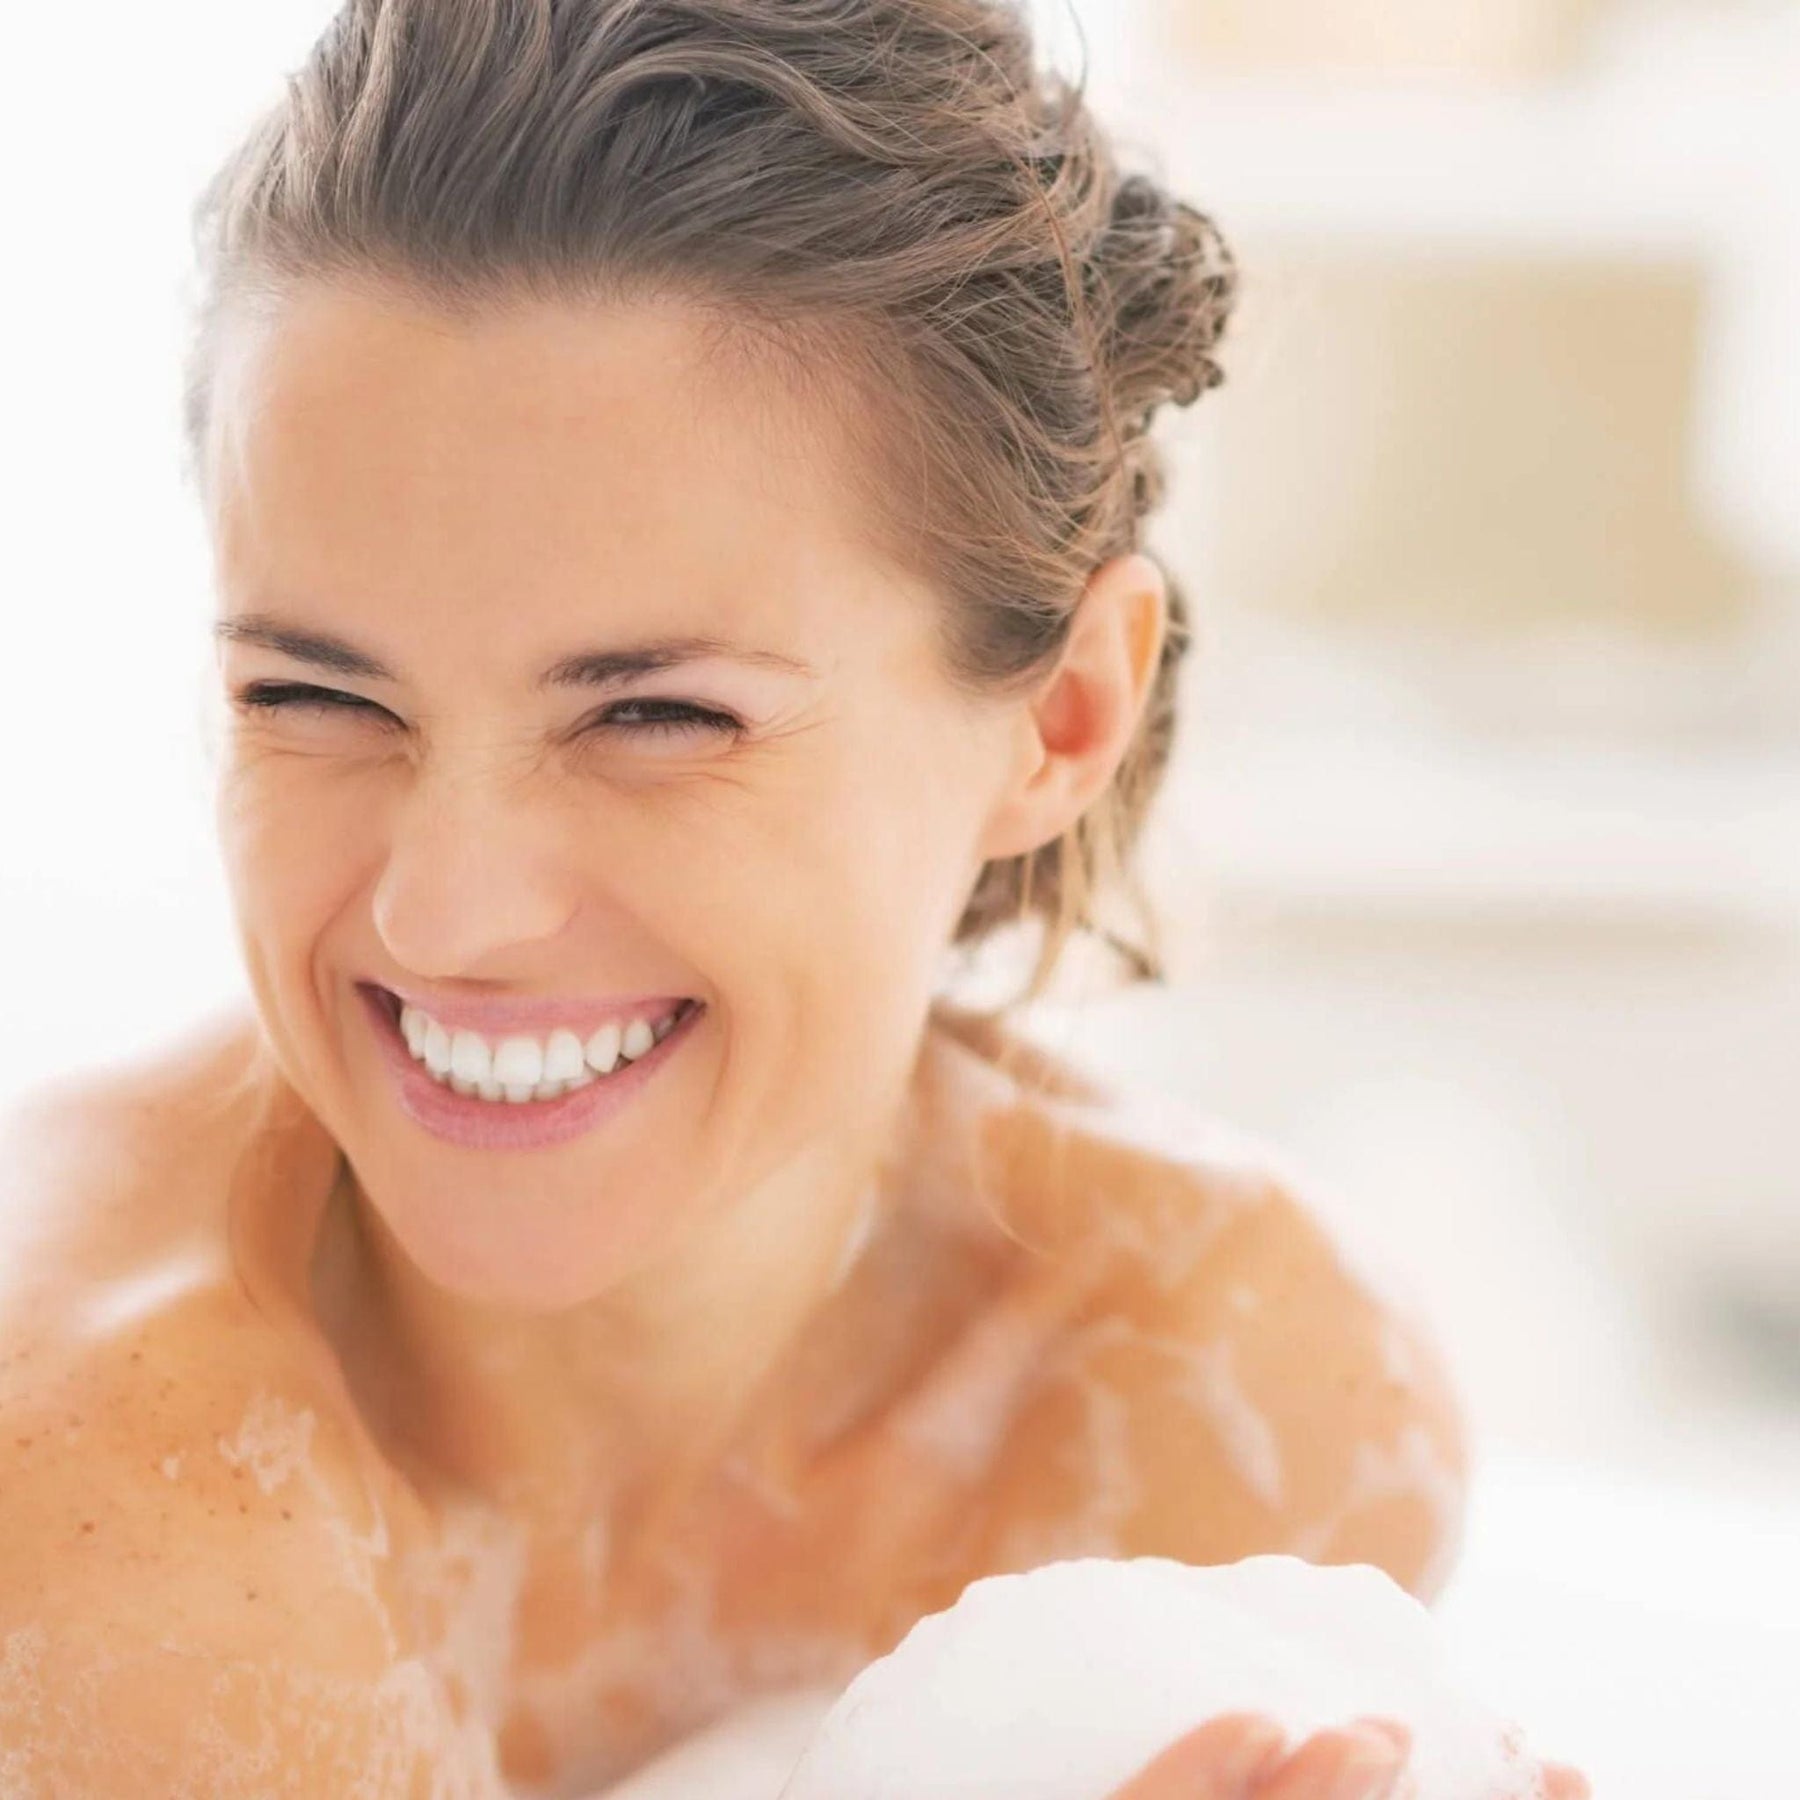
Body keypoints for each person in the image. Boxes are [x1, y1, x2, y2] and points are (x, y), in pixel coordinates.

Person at [0, 2, 1587, 1795]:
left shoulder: (1232, 1406)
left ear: (1063, 715)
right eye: (314, 696)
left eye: (656, 717)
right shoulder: (87, 1502)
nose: (444, 915)